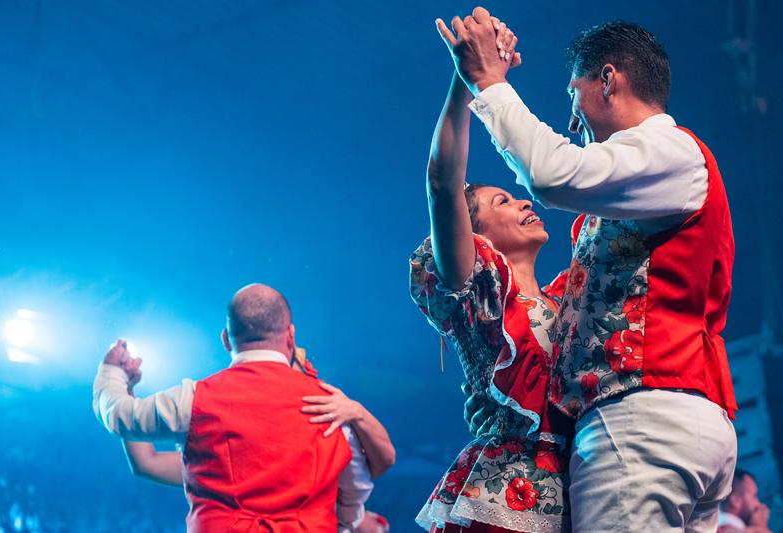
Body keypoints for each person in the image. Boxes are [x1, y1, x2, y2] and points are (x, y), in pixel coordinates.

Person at [436, 7, 738, 532]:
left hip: (643, 419)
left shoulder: (670, 150)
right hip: (664, 420)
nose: (573, 123)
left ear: (608, 80)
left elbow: (552, 174)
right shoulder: (550, 288)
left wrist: (485, 79)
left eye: (573, 97)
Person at [409, 21, 573, 532]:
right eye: (503, 200)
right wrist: (469, 76)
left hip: (582, 489)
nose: (523, 200)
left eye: (517, 194)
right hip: (508, 499)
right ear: (473, 233)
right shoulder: (476, 292)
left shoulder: (568, 300)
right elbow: (442, 182)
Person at [93, 283, 374, 532]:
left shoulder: (194, 401)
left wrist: (114, 374)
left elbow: (120, 416)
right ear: (290, 336)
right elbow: (357, 486)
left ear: (226, 338)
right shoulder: (331, 407)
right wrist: (345, 523)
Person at [118, 347, 395, 532]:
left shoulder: (326, 432)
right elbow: (147, 463)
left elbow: (382, 463)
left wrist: (355, 412)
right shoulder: (219, 451)